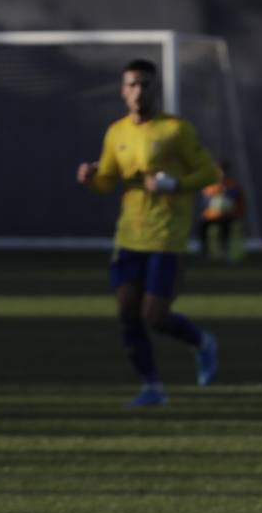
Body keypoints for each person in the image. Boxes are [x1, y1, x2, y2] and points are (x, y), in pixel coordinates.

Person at [77, 58, 220, 407]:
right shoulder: (116, 133)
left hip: (166, 236)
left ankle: (201, 342)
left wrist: (174, 183)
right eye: (132, 84)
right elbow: (108, 179)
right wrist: (91, 178)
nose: (139, 91)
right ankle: (152, 386)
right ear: (123, 91)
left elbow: (210, 173)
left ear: (155, 89)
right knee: (127, 310)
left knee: (153, 315)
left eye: (145, 84)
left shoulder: (176, 131)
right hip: (129, 237)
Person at [200, 160, 246, 262]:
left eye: (223, 171)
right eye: (219, 171)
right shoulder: (210, 185)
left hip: (227, 215)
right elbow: (206, 201)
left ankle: (226, 251)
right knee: (203, 228)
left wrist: (236, 212)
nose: (222, 174)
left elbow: (238, 200)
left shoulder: (233, 184)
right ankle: (206, 252)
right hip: (212, 216)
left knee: (226, 229)